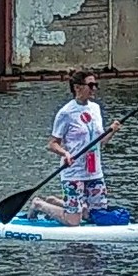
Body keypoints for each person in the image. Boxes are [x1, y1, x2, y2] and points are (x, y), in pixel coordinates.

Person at [26, 70, 121, 224]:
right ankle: (39, 204)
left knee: (96, 216)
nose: (94, 88)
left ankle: (57, 202)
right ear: (77, 87)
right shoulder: (66, 113)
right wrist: (65, 154)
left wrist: (112, 131)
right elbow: (52, 144)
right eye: (90, 85)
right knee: (73, 222)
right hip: (73, 172)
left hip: (95, 171)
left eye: (95, 85)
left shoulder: (95, 109)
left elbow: (100, 142)